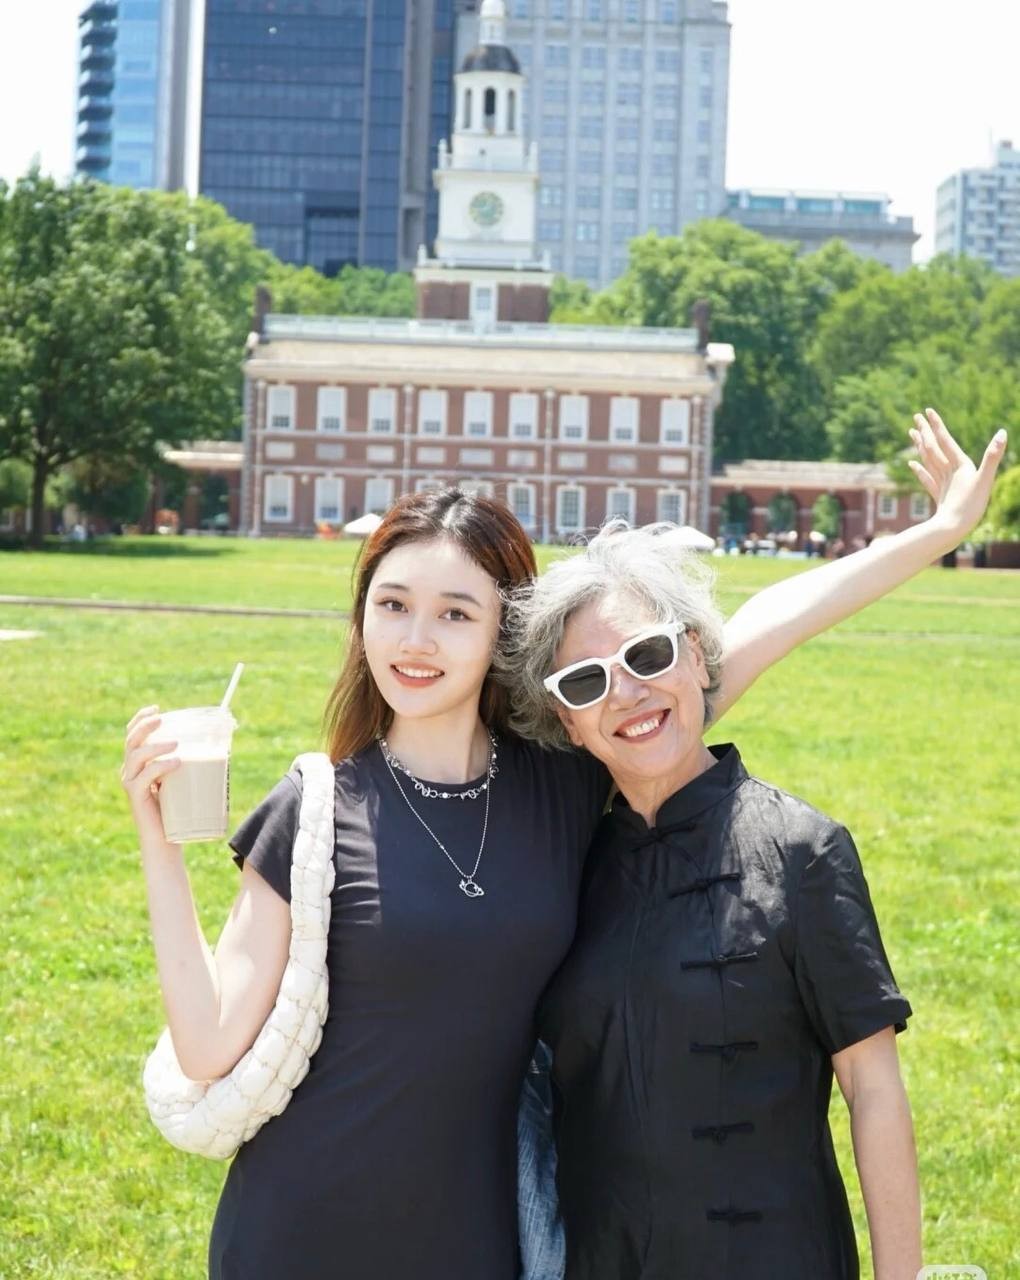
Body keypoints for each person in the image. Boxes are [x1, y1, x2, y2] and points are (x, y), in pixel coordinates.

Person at [119, 410, 1004, 1279]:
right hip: (297, 1229)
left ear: (499, 640)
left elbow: (756, 631)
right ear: (363, 620)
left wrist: (938, 532)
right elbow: (207, 1045)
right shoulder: (314, 809)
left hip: (475, 1243)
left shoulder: (569, 775)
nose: (416, 640)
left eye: (455, 613)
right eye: (392, 605)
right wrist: (160, 847)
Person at [509, 526, 920, 1280]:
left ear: (695, 657)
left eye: (647, 656)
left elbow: (873, 1090)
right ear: (567, 720)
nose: (625, 694)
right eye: (586, 683)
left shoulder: (803, 850)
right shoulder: (564, 871)